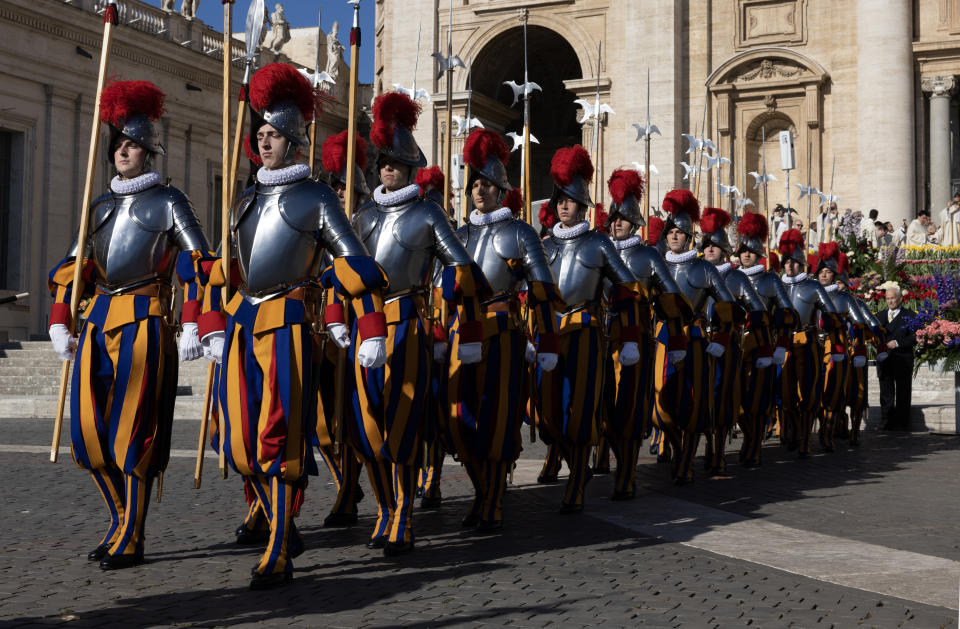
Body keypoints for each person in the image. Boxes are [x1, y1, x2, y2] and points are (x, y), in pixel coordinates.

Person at [200, 63, 389, 589]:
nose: (262, 141)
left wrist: (370, 324)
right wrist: (207, 320)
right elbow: (224, 269)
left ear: (294, 140)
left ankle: (281, 542)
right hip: (242, 325)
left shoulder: (317, 197)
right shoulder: (242, 202)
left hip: (288, 323)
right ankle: (278, 522)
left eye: (271, 134)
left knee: (279, 438)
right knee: (236, 441)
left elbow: (354, 263)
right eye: (258, 133)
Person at [47, 80, 211, 570]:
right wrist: (60, 321)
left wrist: (193, 323)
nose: (122, 149)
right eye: (118, 142)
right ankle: (120, 518)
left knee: (133, 433)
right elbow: (75, 268)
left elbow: (197, 264)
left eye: (131, 143)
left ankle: (133, 533)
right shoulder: (97, 207)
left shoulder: (170, 201)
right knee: (89, 435)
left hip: (145, 322)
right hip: (97, 325)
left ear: (148, 151)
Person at [349, 91, 487, 554]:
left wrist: (461, 327)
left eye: (395, 162)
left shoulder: (428, 212)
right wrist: (337, 317)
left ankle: (404, 513)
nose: (387, 168)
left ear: (410, 167)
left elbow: (462, 270)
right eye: (382, 161)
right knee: (366, 427)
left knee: (402, 422)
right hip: (365, 321)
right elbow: (343, 271)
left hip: (407, 320)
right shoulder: (362, 214)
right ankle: (384, 507)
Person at [445, 128, 560, 530]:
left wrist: (546, 340)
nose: (480, 190)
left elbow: (543, 291)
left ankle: (491, 498)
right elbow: (444, 290)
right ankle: (480, 490)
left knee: (497, 419)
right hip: (465, 332)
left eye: (487, 184)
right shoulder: (459, 234)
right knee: (459, 421)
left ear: (501, 188)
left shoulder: (521, 232)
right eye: (475, 183)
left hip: (504, 333)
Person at [538, 145, 641, 511]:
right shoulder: (545, 244)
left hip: (586, 332)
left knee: (580, 412)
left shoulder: (598, 243)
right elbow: (530, 290)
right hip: (550, 333)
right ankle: (573, 465)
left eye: (570, 200)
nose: (564, 206)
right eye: (560, 199)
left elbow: (626, 290)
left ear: (582, 205)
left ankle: (578, 478)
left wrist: (629, 338)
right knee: (546, 414)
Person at [602, 169, 686, 496]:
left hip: (636, 337)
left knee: (631, 412)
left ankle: (627, 472)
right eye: (613, 217)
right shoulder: (601, 250)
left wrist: (677, 341)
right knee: (605, 412)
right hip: (602, 338)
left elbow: (670, 301)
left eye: (623, 218)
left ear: (635, 221)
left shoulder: (649, 255)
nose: (617, 223)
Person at [656, 189, 738, 484]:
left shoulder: (705, 269)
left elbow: (728, 309)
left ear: (689, 236)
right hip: (663, 338)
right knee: (659, 409)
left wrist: (721, 341)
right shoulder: (659, 265)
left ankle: (687, 459)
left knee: (692, 405)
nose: (675, 236)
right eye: (671, 232)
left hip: (694, 339)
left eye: (680, 232)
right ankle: (676, 450)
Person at [699, 207, 771, 475]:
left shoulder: (736, 277)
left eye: (714, 246)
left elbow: (758, 313)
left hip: (729, 345)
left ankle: (723, 449)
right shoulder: (697, 271)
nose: (709, 250)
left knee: (728, 400)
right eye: (706, 245)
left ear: (725, 251)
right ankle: (705, 447)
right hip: (699, 343)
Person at [734, 213, 796, 466]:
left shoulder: (770, 280)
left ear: (759, 252)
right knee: (736, 401)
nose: (746, 255)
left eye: (751, 251)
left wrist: (781, 346)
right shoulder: (731, 276)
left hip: (761, 346)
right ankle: (747, 436)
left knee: (757, 401)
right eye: (742, 251)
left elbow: (787, 315)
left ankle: (753, 444)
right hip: (734, 345)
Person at [777, 229, 842, 458]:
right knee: (785, 396)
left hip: (807, 341)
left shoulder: (813, 287)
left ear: (801, 263)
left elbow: (831, 313)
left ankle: (804, 439)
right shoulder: (779, 285)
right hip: (784, 342)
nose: (789, 266)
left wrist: (828, 324)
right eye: (786, 262)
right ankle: (792, 430)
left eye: (794, 262)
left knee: (808, 393)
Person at [877, 285, 916, 431]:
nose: (890, 301)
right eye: (887, 299)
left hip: (903, 359)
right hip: (885, 360)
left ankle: (902, 423)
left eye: (893, 298)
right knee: (886, 392)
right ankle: (886, 421)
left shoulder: (910, 315)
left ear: (900, 299)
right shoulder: (879, 316)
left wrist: (898, 343)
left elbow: (915, 336)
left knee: (903, 392)